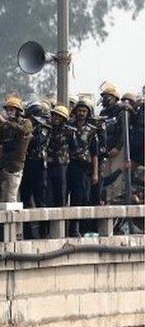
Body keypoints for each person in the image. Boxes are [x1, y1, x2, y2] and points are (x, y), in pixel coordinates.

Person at [0, 97, 33, 204]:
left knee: (11, 196)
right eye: (7, 110)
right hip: (4, 164)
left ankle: (16, 221)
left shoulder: (25, 122)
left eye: (12, 110)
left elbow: (24, 131)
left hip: (16, 165)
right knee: (3, 196)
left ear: (18, 111)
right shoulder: (6, 125)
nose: (9, 112)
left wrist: (5, 122)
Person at [67, 99, 99, 236]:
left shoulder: (92, 131)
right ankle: (67, 229)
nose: (81, 113)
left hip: (84, 168)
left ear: (88, 113)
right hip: (68, 165)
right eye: (79, 110)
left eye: (84, 111)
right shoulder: (68, 127)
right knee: (64, 197)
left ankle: (77, 229)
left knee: (80, 198)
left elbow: (95, 154)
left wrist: (95, 173)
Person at [20, 102, 50, 237]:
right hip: (26, 165)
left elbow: (36, 142)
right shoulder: (24, 127)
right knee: (25, 200)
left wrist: (28, 135)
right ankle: (28, 233)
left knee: (40, 199)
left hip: (38, 166)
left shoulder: (44, 128)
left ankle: (43, 232)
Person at [46, 105, 76, 209]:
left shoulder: (69, 131)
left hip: (61, 165)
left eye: (59, 117)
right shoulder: (47, 129)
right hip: (48, 164)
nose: (56, 118)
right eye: (55, 116)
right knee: (49, 194)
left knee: (61, 193)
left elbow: (74, 147)